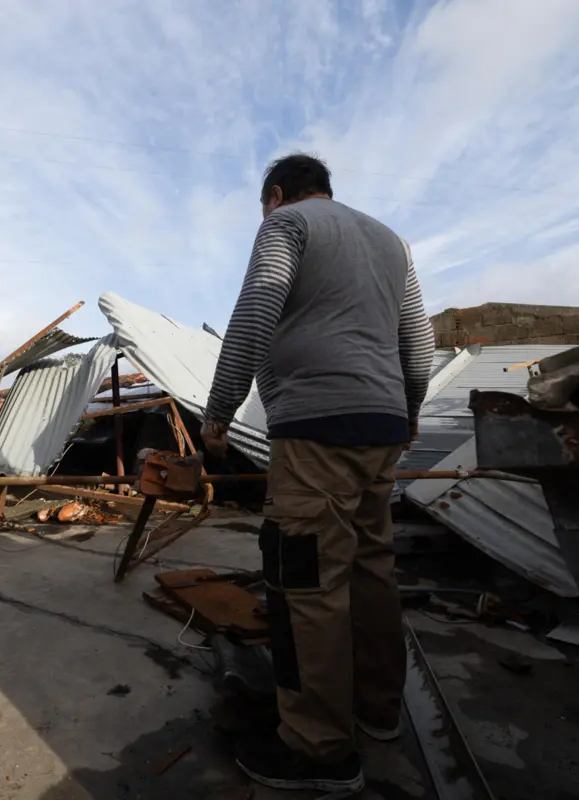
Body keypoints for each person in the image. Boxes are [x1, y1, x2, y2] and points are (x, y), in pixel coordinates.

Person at [201, 154, 434, 797]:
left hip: (317, 428)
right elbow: (418, 342)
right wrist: (408, 411)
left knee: (304, 579)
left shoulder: (288, 225)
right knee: (370, 567)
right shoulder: (392, 241)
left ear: (275, 194)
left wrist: (218, 413)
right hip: (381, 425)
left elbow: (253, 315)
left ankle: (319, 748)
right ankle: (378, 711)